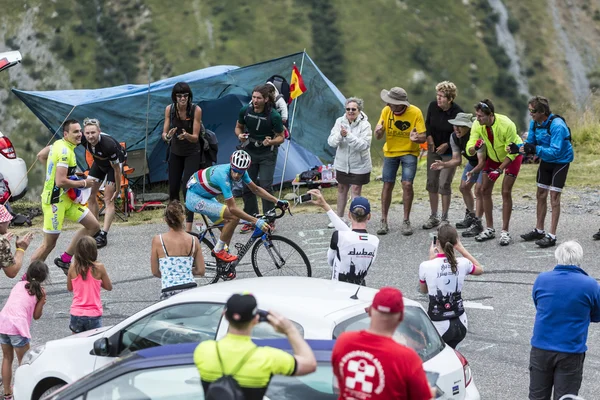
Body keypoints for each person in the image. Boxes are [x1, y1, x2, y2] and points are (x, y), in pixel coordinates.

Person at [194, 293, 317, 400]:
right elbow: (309, 364)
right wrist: (290, 330)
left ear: (224, 315)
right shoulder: (267, 358)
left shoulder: (204, 350)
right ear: (255, 319)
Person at [186, 150, 289, 263]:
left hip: (206, 196)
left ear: (245, 170)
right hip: (194, 198)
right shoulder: (223, 177)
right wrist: (255, 221)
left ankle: (223, 263)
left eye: (240, 173)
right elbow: (233, 209)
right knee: (234, 217)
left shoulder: (242, 172)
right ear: (231, 165)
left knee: (227, 227)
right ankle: (218, 251)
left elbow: (255, 189)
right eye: (234, 171)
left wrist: (277, 201)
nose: (236, 175)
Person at [331, 287, 432, 399]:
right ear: (401, 317)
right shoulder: (407, 358)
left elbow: (339, 376)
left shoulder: (343, 341)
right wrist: (430, 391)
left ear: (369, 311)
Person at [529, 241, 600, 400]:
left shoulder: (542, 279)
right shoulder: (590, 285)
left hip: (541, 348)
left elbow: (538, 303)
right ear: (579, 258)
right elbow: (597, 315)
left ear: (557, 257)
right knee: (566, 397)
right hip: (571, 349)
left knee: (537, 396)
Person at [30, 119, 102, 273]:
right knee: (48, 245)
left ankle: (65, 260)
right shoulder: (64, 152)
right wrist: (83, 183)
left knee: (94, 226)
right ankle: (29, 279)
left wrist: (56, 172)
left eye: (79, 131)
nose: (79, 135)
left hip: (68, 199)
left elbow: (41, 155)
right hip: (55, 202)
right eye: (75, 132)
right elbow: (61, 181)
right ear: (66, 134)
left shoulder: (59, 144)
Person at [516, 96, 574, 248]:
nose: (531, 114)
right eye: (529, 111)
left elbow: (555, 152)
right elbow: (531, 143)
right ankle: (539, 229)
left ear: (542, 111)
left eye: (533, 111)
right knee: (540, 194)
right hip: (546, 160)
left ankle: (552, 235)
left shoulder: (557, 126)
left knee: (554, 197)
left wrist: (535, 150)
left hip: (560, 160)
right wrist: (518, 148)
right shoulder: (535, 123)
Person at [465, 99, 523, 246]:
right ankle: (489, 228)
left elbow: (512, 152)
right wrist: (475, 148)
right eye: (476, 115)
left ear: (490, 115)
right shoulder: (478, 125)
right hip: (493, 157)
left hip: (511, 157)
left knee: (505, 191)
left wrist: (499, 170)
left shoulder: (507, 124)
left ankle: (505, 232)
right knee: (484, 190)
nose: (477, 119)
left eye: (480, 116)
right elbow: (469, 146)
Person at [418, 224, 483, 348]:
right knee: (455, 357)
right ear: (456, 241)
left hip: (439, 324)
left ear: (437, 242)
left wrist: (431, 259)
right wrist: (461, 248)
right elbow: (480, 269)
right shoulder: (463, 263)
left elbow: (423, 290)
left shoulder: (426, 265)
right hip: (461, 322)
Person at [374, 87, 426, 236]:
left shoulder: (415, 112)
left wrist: (417, 138)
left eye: (391, 103)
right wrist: (378, 131)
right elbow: (378, 135)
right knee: (387, 183)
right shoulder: (386, 111)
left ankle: (406, 220)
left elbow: (423, 136)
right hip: (390, 152)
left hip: (409, 152)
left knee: (407, 184)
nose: (388, 105)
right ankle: (383, 220)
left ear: (401, 104)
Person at [235, 84, 285, 233]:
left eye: (258, 98)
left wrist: (272, 141)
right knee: (247, 185)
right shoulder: (245, 111)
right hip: (249, 151)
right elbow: (238, 127)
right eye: (253, 97)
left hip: (267, 154)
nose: (255, 101)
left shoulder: (274, 116)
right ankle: (252, 218)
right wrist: (239, 135)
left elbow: (281, 137)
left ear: (266, 99)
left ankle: (269, 219)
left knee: (265, 184)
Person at [430, 113, 487, 237]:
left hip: (486, 163)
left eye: (460, 126)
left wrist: (473, 172)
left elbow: (482, 162)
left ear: (468, 127)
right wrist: (444, 164)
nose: (456, 128)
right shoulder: (454, 137)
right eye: (455, 125)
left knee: (479, 190)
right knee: (464, 187)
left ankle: (478, 223)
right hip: (473, 162)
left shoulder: (476, 137)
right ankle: (471, 215)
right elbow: (457, 160)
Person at [307, 189, 379, 286]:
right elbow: (354, 237)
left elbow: (330, 261)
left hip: (338, 289)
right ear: (369, 216)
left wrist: (325, 206)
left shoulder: (339, 236)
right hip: (360, 289)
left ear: (349, 215)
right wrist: (325, 206)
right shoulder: (374, 241)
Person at [0, 261, 49, 400]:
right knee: (25, 362)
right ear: (44, 278)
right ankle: (25, 393)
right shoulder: (40, 292)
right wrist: (42, 302)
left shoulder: (18, 285)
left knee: (7, 358)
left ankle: (7, 393)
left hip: (3, 323)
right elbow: (36, 316)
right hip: (17, 326)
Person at [162, 82, 203, 232]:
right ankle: (175, 222)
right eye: (179, 96)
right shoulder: (170, 109)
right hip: (175, 152)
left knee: (188, 188)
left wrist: (187, 135)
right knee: (173, 188)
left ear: (189, 96)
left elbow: (196, 137)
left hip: (192, 152)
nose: (182, 98)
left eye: (185, 95)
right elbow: (164, 134)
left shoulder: (196, 110)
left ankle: (189, 226)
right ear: (175, 97)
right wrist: (168, 136)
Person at [327, 97, 372, 229]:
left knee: (356, 190)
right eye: (348, 109)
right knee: (341, 188)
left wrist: (348, 136)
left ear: (359, 110)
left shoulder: (365, 125)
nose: (350, 111)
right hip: (342, 162)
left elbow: (364, 145)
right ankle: (339, 218)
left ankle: (355, 219)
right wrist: (340, 135)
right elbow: (331, 142)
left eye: (353, 109)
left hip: (360, 163)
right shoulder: (339, 121)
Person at [423, 81, 463, 229]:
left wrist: (446, 143)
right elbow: (427, 124)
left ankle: (445, 218)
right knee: (432, 182)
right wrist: (430, 139)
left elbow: (459, 133)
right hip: (434, 150)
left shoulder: (457, 112)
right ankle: (434, 216)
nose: (438, 99)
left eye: (442, 96)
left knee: (444, 183)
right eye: (437, 95)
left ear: (450, 98)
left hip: (450, 152)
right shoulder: (433, 106)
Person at [151, 200, 205, 299]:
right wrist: (185, 270)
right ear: (183, 218)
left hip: (169, 289)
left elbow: (155, 271)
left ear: (165, 219)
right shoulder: (194, 240)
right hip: (190, 288)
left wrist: (170, 273)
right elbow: (201, 270)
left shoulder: (158, 240)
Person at [0, 205, 33, 279]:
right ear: (1, 224)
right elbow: (12, 272)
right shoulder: (2, 243)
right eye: (7, 220)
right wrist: (21, 249)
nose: (9, 221)